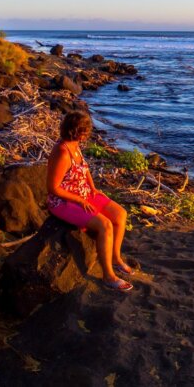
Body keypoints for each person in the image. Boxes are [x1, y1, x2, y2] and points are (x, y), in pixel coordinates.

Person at [46, 111, 135, 292]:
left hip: (84, 192)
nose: (87, 134)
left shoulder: (75, 145)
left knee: (120, 214)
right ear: (77, 131)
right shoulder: (62, 152)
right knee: (105, 225)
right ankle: (108, 276)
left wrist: (93, 188)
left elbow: (84, 169)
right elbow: (53, 188)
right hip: (63, 200)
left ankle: (116, 258)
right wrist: (79, 199)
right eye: (85, 131)